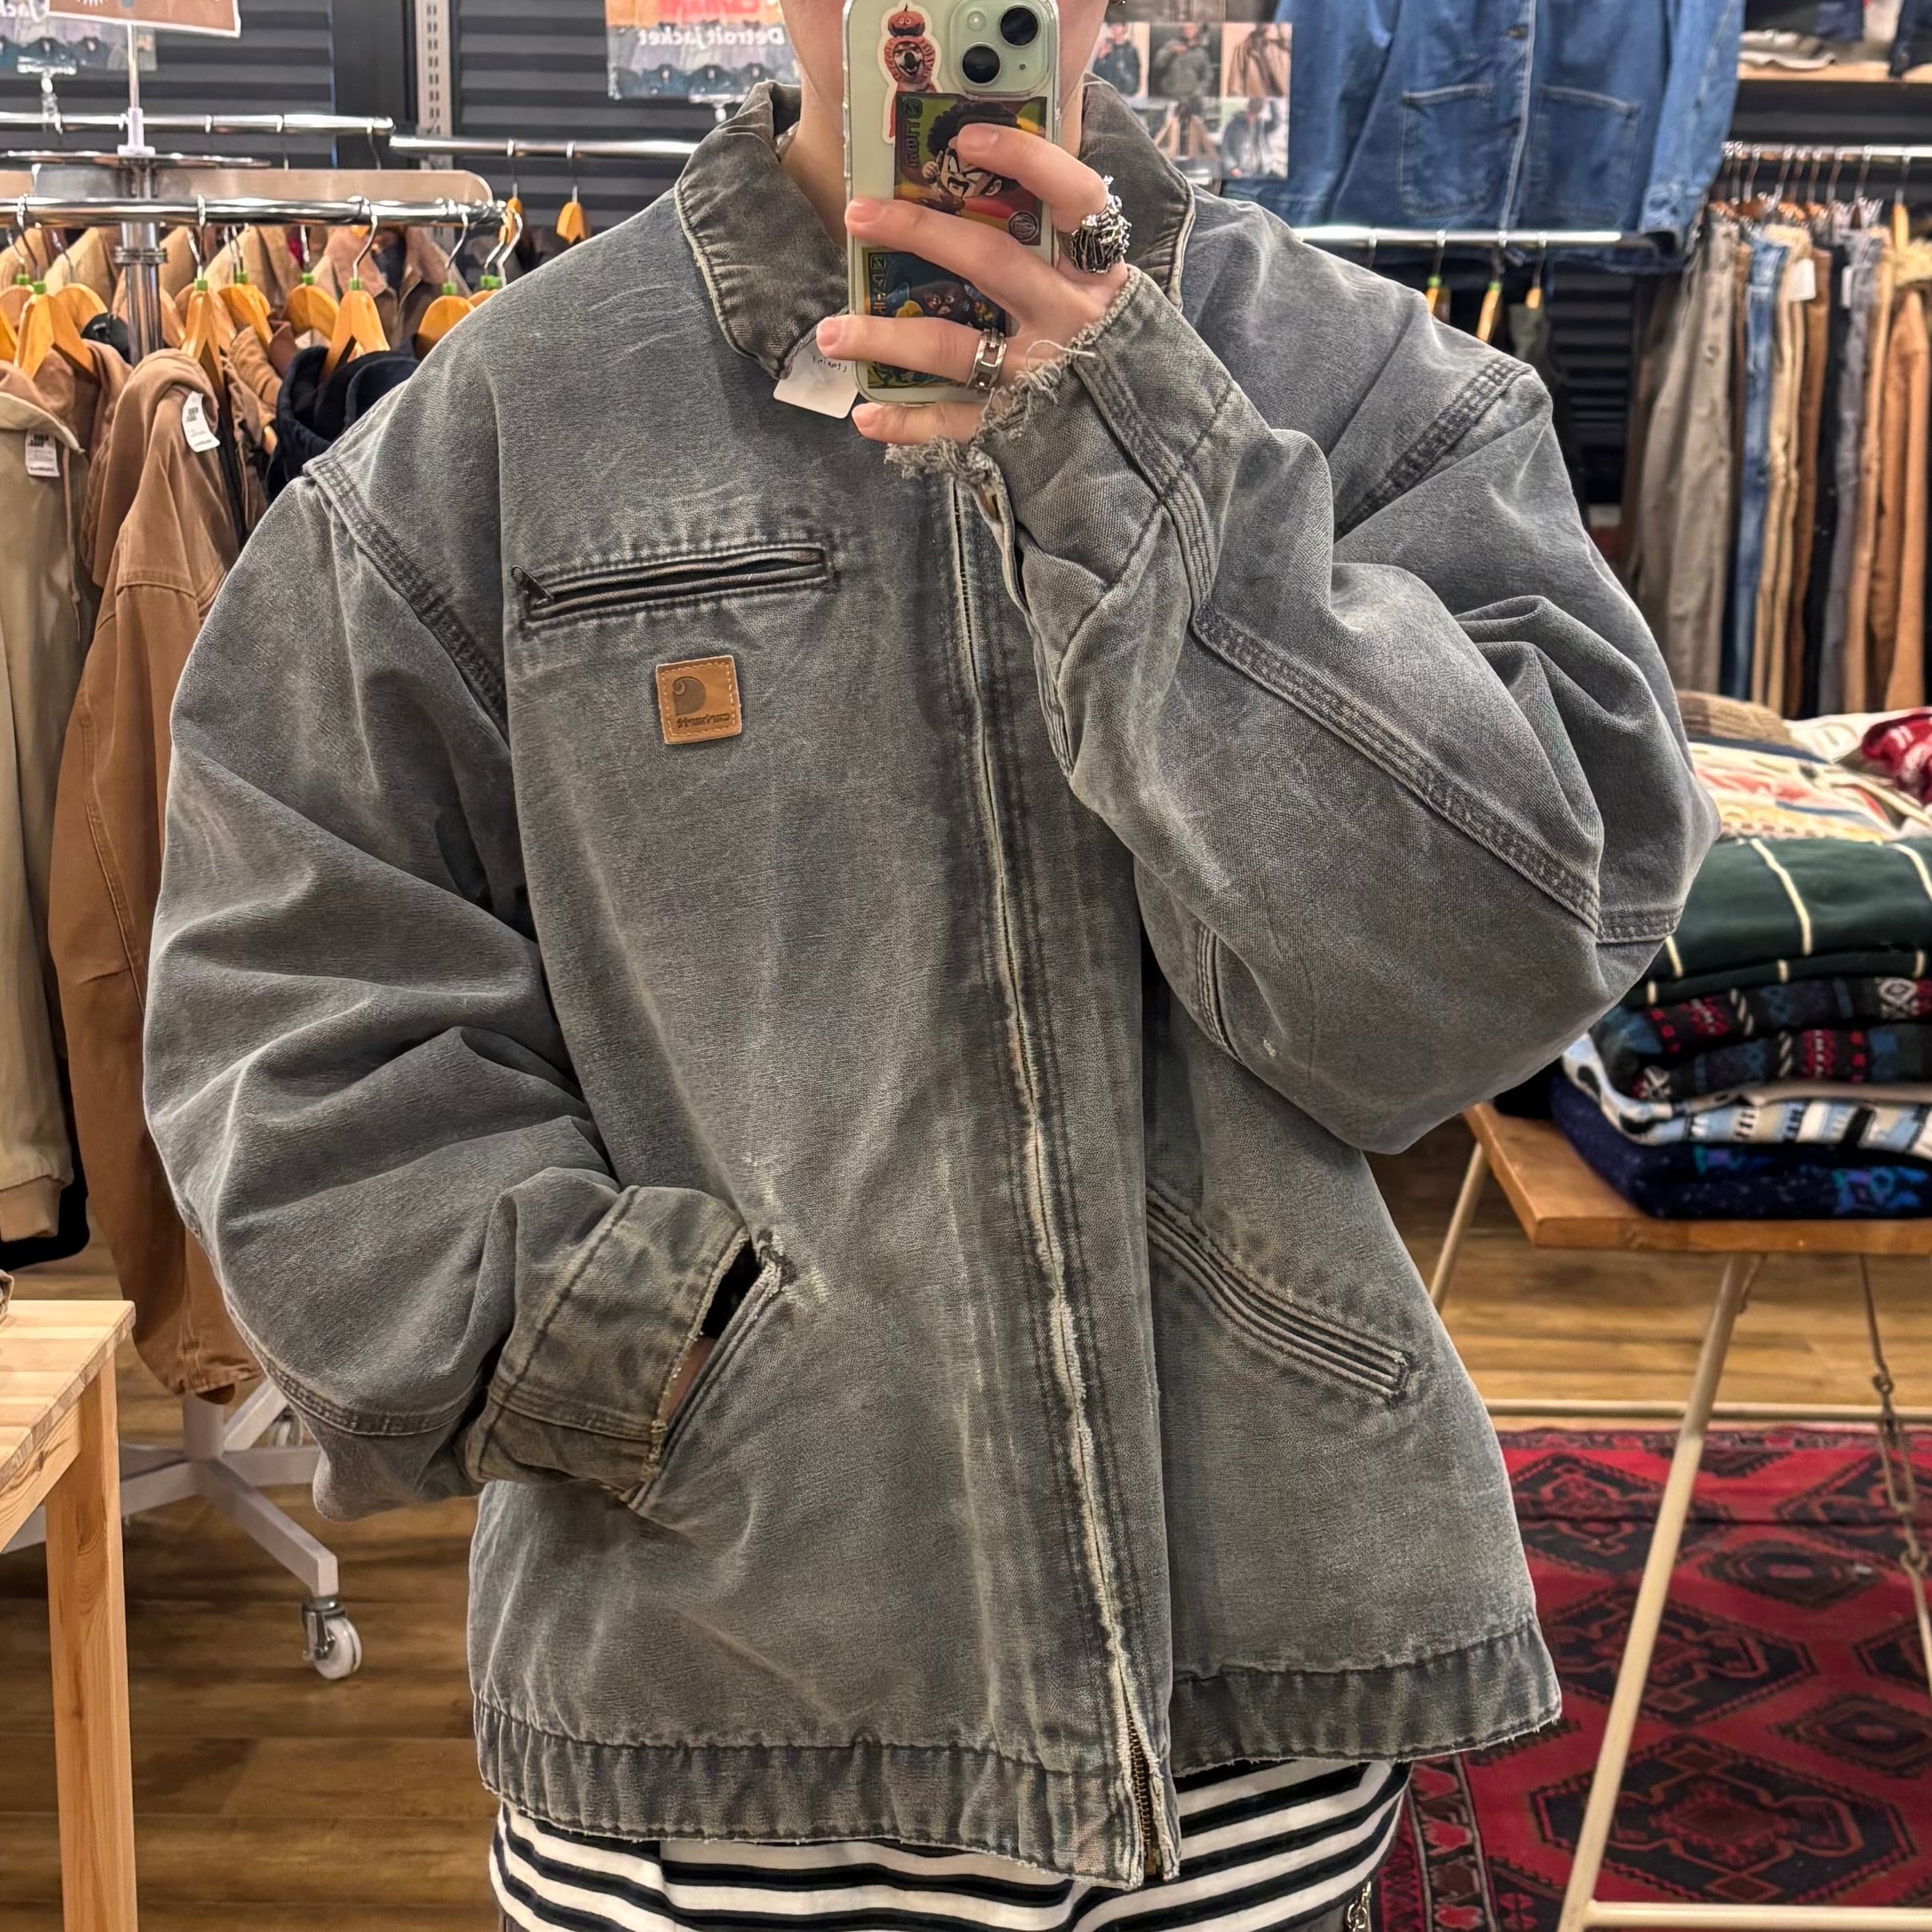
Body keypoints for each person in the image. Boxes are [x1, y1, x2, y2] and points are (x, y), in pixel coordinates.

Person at [143, 0, 1715, 1922]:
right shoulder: (502, 431)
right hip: (715, 1694)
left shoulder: (1367, 386)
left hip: (1239, 1705)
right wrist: (652, 1355)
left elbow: (1485, 962)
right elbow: (291, 1004)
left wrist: (1149, 463)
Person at [1091, 19, 1143, 96]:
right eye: (1112, 25)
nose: (1114, 28)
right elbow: (1095, 74)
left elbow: (1135, 78)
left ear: (1124, 28)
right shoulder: (1106, 47)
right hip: (1107, 94)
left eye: (1117, 25)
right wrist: (1100, 57)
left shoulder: (1131, 50)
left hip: (1125, 95)